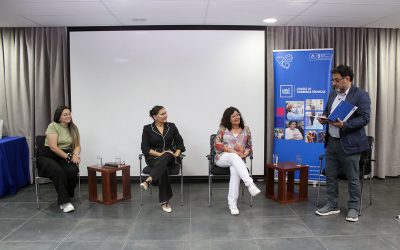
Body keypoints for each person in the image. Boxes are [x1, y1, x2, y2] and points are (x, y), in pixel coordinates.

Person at [316, 65, 371, 222]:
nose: (334, 83)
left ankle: (353, 207)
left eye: (337, 80)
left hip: (351, 143)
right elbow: (328, 111)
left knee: (353, 177)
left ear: (347, 79)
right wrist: (323, 118)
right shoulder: (333, 94)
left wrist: (345, 125)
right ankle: (332, 205)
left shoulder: (360, 95)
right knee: (331, 175)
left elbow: (365, 118)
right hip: (332, 142)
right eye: (333, 80)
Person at [214, 107, 261, 215]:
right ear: (228, 118)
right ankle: (250, 184)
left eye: (238, 115)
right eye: (233, 116)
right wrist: (232, 151)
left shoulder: (246, 129)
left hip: (238, 160)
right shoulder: (223, 129)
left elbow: (249, 146)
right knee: (234, 157)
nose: (237, 117)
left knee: (235, 171)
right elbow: (217, 145)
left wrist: (246, 153)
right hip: (222, 157)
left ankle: (232, 204)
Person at [140, 105, 185, 213]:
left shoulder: (172, 126)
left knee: (168, 154)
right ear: (155, 116)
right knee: (163, 168)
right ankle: (165, 201)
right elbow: (145, 148)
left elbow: (180, 143)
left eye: (165, 113)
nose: (166, 115)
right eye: (162, 114)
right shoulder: (147, 129)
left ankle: (149, 180)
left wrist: (175, 154)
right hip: (154, 158)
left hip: (170, 157)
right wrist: (161, 154)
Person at [37, 106, 80, 213]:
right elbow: (53, 147)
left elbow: (77, 145)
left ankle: (66, 195)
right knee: (58, 171)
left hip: (64, 155)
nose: (68, 116)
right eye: (65, 114)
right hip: (48, 155)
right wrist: (69, 157)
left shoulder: (73, 128)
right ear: (59, 117)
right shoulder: (53, 126)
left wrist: (75, 155)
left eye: (69, 113)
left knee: (72, 170)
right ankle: (64, 202)